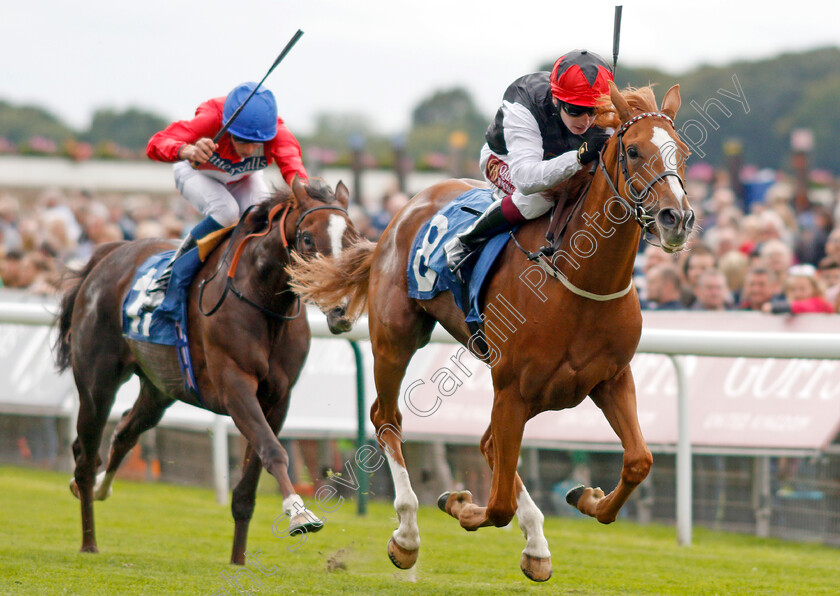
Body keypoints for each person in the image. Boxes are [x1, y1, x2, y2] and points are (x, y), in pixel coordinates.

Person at [444, 49, 614, 278]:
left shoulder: (603, 108)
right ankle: (466, 240)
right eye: (575, 110)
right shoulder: (523, 103)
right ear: (556, 99)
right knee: (539, 198)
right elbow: (526, 179)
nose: (586, 121)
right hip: (504, 160)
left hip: (554, 163)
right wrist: (579, 156)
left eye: (593, 111)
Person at [143, 81, 308, 308]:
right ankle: (168, 280)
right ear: (226, 125)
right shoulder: (210, 120)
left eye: (256, 143)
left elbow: (296, 172)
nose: (248, 150)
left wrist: (309, 197)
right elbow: (155, 143)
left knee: (262, 217)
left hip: (242, 178)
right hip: (196, 172)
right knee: (226, 211)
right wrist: (187, 149)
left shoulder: (279, 134)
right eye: (241, 139)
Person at [763, 264, 834, 314]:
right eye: (793, 289)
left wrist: (773, 307)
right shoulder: (790, 304)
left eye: (802, 289)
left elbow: (802, 307)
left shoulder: (818, 303)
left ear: (815, 289)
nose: (797, 293)